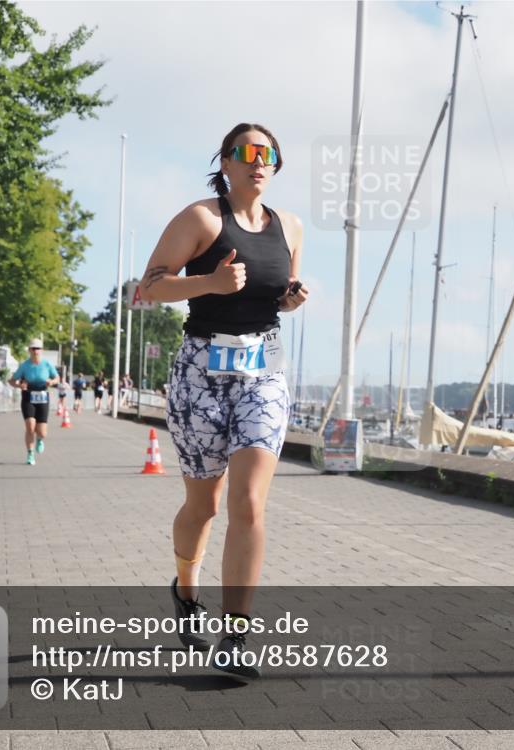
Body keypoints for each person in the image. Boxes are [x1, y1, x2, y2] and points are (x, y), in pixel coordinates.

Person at [140, 123, 309, 681]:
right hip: (200, 374)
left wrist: (290, 300)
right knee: (204, 507)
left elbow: (276, 299)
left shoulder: (290, 227)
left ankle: (235, 635)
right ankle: (187, 589)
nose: (259, 162)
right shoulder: (201, 219)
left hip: (263, 372)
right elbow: (151, 286)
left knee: (249, 505)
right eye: (248, 152)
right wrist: (208, 284)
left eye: (269, 154)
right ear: (227, 162)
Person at [8, 338, 60, 465]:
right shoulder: (24, 365)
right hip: (28, 396)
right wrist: (20, 386)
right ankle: (30, 454)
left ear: (42, 350)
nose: (36, 351)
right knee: (30, 427)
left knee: (42, 432)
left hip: (42, 397)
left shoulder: (47, 364)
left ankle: (40, 440)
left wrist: (52, 382)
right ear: (29, 350)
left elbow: (57, 378)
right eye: (33, 348)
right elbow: (12, 381)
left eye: (38, 348)